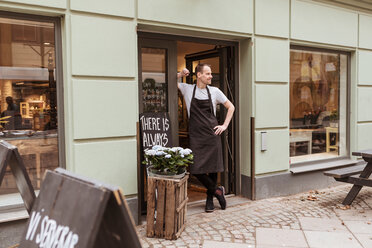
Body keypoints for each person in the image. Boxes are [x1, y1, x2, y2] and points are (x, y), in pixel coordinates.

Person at [177, 64, 235, 212]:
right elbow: (168, 82)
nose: (211, 76)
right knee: (196, 169)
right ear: (199, 75)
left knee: (213, 168)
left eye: (210, 74)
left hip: (212, 134)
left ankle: (210, 199)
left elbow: (231, 107)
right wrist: (180, 73)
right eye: (207, 74)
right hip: (196, 136)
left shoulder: (215, 91)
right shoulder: (188, 89)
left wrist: (225, 125)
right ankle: (217, 191)